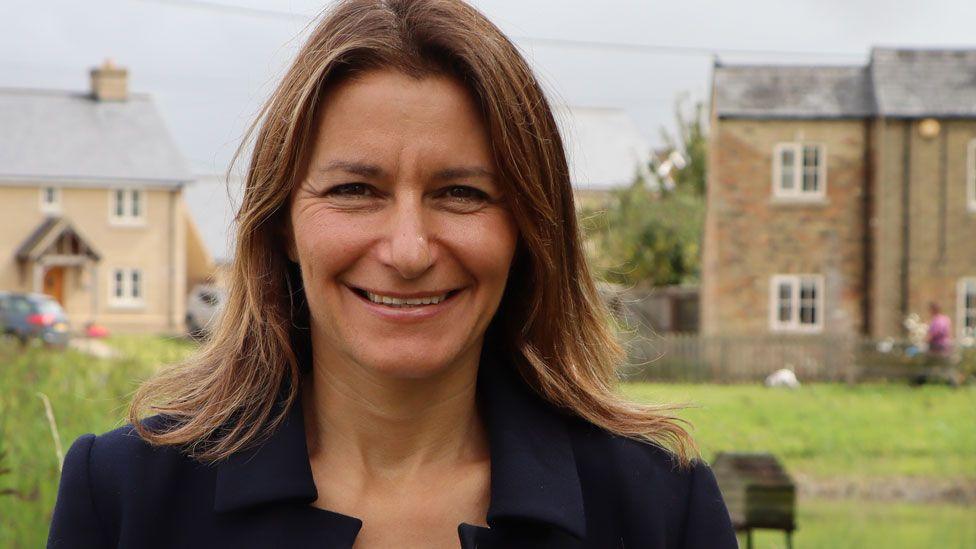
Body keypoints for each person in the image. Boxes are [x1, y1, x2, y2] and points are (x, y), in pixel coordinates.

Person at [47, 1, 737, 547]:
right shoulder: (124, 497)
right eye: (355, 190)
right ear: (282, 222)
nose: (408, 249)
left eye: (462, 192)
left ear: (528, 230)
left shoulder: (659, 512)